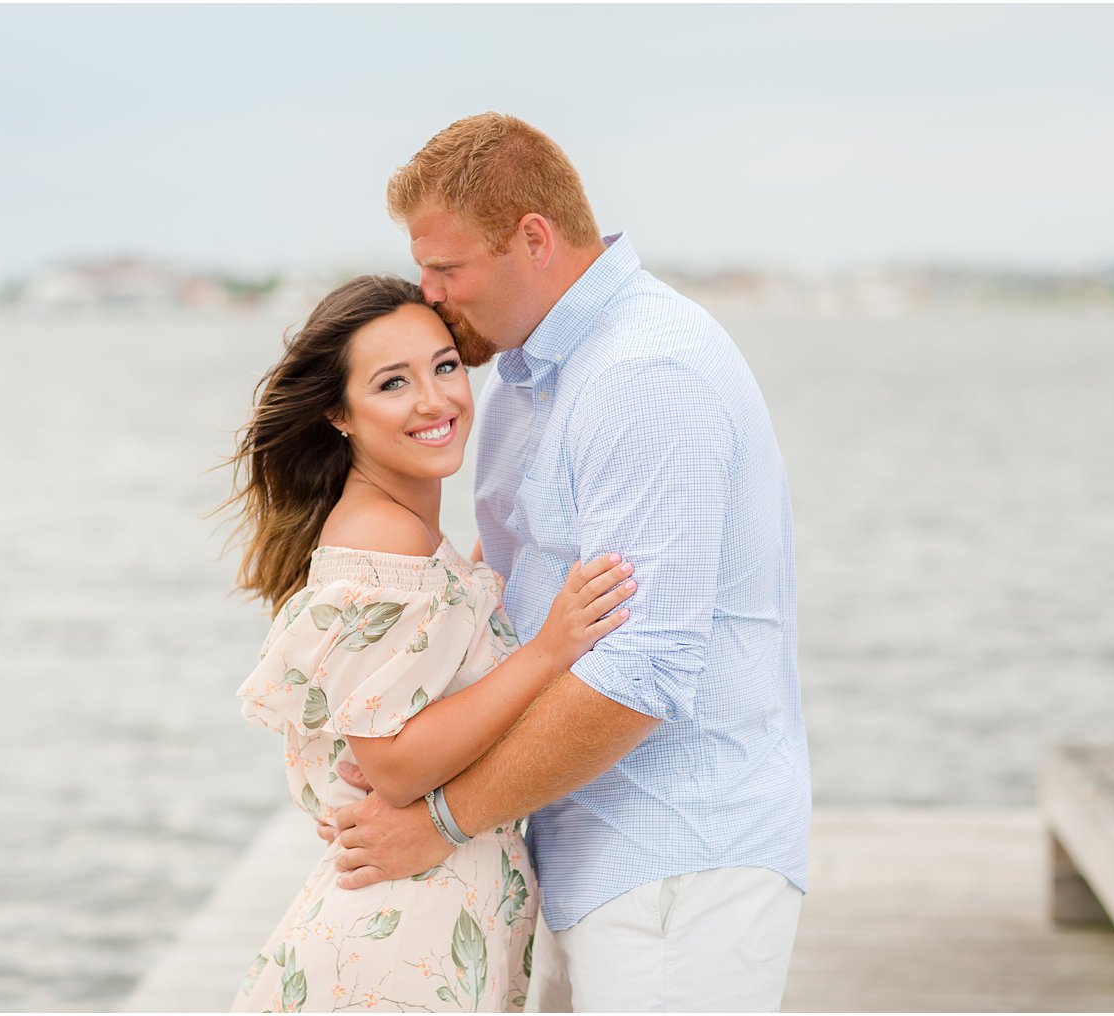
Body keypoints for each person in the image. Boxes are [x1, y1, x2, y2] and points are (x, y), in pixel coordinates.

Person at [324, 113, 812, 1013]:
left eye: (448, 267)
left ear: (534, 240)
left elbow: (641, 673)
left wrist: (437, 820)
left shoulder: (646, 374)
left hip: (675, 857)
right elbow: (505, 600)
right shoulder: (524, 379)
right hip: (574, 846)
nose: (428, 293)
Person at [220, 274, 637, 1012]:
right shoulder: (385, 540)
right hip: (399, 951)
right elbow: (395, 764)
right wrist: (548, 649)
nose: (435, 400)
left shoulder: (406, 538)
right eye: (392, 383)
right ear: (339, 413)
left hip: (425, 930)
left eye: (445, 366)